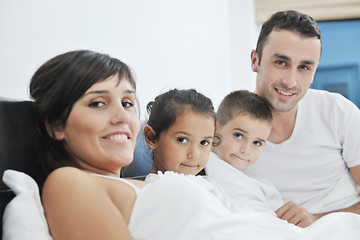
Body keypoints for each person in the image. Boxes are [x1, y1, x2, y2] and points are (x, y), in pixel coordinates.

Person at [25, 50, 360, 240]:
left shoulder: (147, 181)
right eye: (98, 103)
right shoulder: (70, 182)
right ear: (56, 125)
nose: (121, 117)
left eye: (127, 103)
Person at [243, 10, 360, 227]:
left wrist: (316, 220)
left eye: (304, 67)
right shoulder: (224, 131)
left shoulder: (339, 112)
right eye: (281, 62)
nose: (290, 81)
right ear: (255, 60)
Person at [143, 88, 216, 176]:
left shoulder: (209, 185)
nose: (194, 155)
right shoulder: (154, 188)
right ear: (151, 138)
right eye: (182, 140)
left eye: (204, 142)